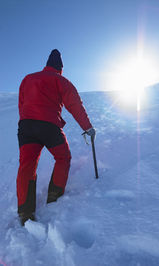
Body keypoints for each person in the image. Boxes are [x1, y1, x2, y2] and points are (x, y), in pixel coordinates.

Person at [17, 49, 95, 225]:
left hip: (26, 126)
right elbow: (75, 105)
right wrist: (88, 128)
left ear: (46, 64)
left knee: (27, 165)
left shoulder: (28, 78)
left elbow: (21, 103)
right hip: (49, 126)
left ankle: (25, 212)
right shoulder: (61, 80)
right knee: (63, 157)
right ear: (60, 67)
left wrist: (27, 121)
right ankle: (54, 196)